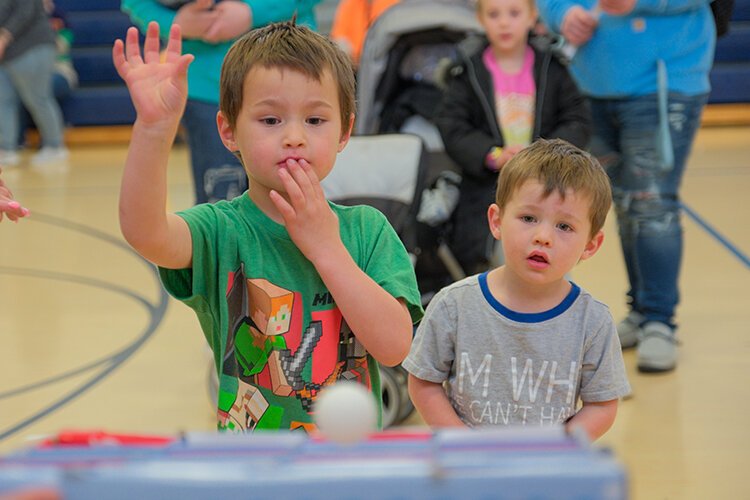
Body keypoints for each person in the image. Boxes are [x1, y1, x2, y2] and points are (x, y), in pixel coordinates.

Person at [112, 20, 424, 432]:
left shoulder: (368, 230)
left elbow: (394, 347)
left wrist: (326, 248)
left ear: (345, 131)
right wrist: (154, 130)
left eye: (315, 120)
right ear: (229, 131)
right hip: (249, 465)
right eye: (270, 120)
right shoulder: (221, 230)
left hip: (349, 465)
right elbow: (145, 232)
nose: (294, 136)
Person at [403, 139, 630, 441]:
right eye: (528, 218)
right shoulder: (453, 304)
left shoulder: (593, 321)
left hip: (546, 477)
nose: (543, 237)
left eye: (564, 226)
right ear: (497, 221)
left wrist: (556, 448)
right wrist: (463, 442)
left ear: (590, 245)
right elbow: (423, 382)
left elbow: (601, 405)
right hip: (468, 473)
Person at [536, 0, 715, 373]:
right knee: (622, 203)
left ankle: (659, 322)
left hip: (662, 80)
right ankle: (641, 311)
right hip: (590, 81)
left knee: (651, 204)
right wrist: (561, 14)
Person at [435, 0, 591, 275]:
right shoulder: (467, 71)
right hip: (486, 185)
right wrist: (492, 155)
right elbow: (453, 126)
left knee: (546, 252)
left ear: (532, 17)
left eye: (514, 13)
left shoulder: (552, 67)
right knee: (485, 257)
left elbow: (576, 119)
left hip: (547, 183)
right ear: (481, 20)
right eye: (494, 14)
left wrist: (545, 156)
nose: (504, 22)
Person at [121, 0, 321, 204]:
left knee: (293, 199)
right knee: (220, 199)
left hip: (291, 76)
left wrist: (252, 13)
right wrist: (175, 22)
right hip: (208, 87)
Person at [0, 0, 69, 167]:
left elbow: (25, 11)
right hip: (7, 56)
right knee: (3, 101)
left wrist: (4, 37)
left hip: (32, 47)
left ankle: (55, 145)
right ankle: (7, 148)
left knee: (37, 97)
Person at [18, 0, 78, 147]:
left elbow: (60, 47)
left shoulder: (58, 16)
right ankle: (17, 140)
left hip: (60, 72)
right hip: (28, 74)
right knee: (15, 89)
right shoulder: (20, 18)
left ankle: (53, 143)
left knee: (40, 89)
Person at [329, 0, 401, 66]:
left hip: (382, 63)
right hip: (354, 65)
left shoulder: (392, 3)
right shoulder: (350, 4)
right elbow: (339, 36)